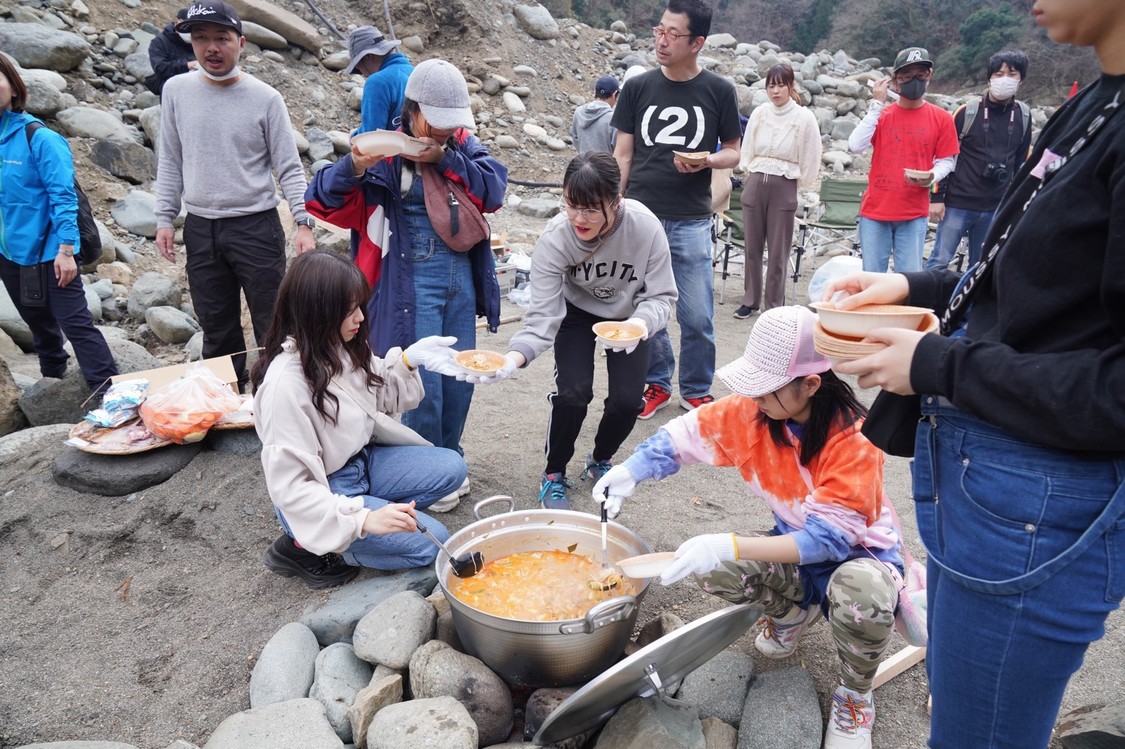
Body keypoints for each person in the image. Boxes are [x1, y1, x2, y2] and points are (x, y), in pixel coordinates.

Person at [825, 2, 1125, 745]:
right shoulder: (1097, 98)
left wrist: (933, 362)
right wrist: (916, 288)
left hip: (1040, 511)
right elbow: (1036, 280)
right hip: (996, 493)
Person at [593, 306, 903, 749]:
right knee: (708, 566)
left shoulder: (854, 439)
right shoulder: (759, 412)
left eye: (765, 390)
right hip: (795, 549)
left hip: (858, 559)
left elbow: (829, 540)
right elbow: (686, 435)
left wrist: (730, 543)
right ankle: (793, 615)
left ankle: (855, 695)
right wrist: (630, 471)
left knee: (860, 595)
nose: (752, 400)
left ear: (811, 384)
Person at [304, 58, 508, 456]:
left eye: (452, 122)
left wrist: (444, 158)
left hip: (461, 277)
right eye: (437, 122)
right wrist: (354, 165)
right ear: (411, 110)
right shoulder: (385, 152)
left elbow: (495, 190)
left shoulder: (462, 145)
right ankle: (428, 465)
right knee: (423, 383)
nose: (446, 131)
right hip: (409, 282)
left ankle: (450, 456)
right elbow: (321, 198)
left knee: (461, 375)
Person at [251, 251, 470, 589]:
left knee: (452, 467)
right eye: (349, 310)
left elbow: (377, 390)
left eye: (359, 306)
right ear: (318, 313)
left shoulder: (337, 345)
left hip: (363, 462)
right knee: (433, 541)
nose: (359, 318)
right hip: (325, 487)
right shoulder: (285, 386)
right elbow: (291, 488)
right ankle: (304, 544)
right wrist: (365, 519)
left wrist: (410, 360)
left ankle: (372, 516)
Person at [472, 152, 677, 510]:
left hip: (630, 318)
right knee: (573, 393)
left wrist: (638, 324)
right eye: (571, 205)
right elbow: (542, 316)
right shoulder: (556, 237)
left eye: (591, 209)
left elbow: (662, 296)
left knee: (628, 402)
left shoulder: (646, 227)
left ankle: (600, 459)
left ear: (616, 200)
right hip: (576, 313)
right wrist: (512, 359)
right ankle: (553, 474)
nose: (579, 218)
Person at [155, 0, 316, 390]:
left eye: (221, 38)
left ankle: (274, 401)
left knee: (273, 324)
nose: (211, 47)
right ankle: (226, 406)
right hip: (201, 227)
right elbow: (170, 158)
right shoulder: (175, 90)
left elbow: (289, 166)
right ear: (191, 44)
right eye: (201, 38)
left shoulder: (266, 98)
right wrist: (164, 217)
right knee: (216, 327)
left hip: (255, 226)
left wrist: (303, 221)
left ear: (240, 43)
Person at [612, 0, 742, 420]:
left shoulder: (719, 90)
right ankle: (657, 383)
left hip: (691, 217)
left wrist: (706, 160)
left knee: (697, 313)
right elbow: (623, 154)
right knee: (643, 306)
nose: (662, 40)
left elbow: (734, 153)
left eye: (673, 34)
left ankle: (698, 388)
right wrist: (614, 202)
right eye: (659, 30)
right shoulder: (637, 87)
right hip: (640, 215)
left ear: (698, 42)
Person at [0, 58, 118, 394]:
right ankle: (52, 390)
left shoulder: (39, 137)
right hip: (9, 253)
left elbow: (63, 197)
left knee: (77, 325)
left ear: (12, 85)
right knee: (39, 327)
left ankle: (112, 395)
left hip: (52, 252)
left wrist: (66, 250)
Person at [848, 47, 959, 274]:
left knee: (909, 279)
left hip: (913, 213)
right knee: (873, 279)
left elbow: (947, 160)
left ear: (930, 76)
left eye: (920, 74)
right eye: (906, 76)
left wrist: (932, 177)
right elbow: (855, 146)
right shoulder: (882, 115)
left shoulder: (942, 118)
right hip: (875, 211)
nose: (914, 80)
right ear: (895, 82)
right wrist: (876, 105)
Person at [926, 50, 1032, 271]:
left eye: (1012, 74)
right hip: (957, 203)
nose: (1005, 79)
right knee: (939, 262)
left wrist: (1017, 204)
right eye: (999, 73)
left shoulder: (1023, 115)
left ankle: (969, 307)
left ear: (1021, 79)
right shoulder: (967, 113)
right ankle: (930, 305)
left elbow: (1022, 163)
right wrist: (937, 196)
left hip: (996, 206)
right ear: (989, 77)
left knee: (981, 268)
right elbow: (943, 156)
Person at [734, 62, 821, 319]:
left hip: (784, 184)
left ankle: (774, 305)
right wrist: (746, 168)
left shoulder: (804, 117)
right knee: (751, 246)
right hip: (756, 180)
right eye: (771, 85)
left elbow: (811, 153)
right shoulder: (760, 113)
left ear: (791, 86)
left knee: (779, 249)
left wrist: (802, 183)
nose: (775, 91)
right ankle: (750, 300)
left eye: (781, 85)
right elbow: (747, 145)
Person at [343, 25, 413, 135]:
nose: (360, 71)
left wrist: (353, 137)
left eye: (358, 65)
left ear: (368, 56)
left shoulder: (377, 82)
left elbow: (371, 135)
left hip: (393, 150)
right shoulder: (412, 71)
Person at [144, 7, 198, 96]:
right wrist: (188, 65)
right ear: (176, 22)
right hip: (171, 90)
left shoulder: (201, 40)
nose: (189, 31)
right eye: (186, 26)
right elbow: (160, 68)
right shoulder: (160, 42)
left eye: (193, 27)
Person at [570, 75, 619, 154]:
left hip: (583, 164)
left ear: (595, 92)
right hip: (606, 165)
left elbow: (576, 141)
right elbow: (619, 149)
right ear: (614, 94)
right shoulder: (613, 118)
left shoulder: (578, 112)